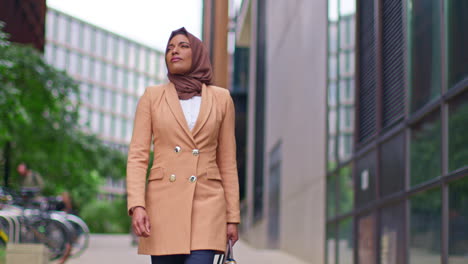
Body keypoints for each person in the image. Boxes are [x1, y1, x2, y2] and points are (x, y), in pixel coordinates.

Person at [126, 27, 240, 264]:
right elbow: (138, 156)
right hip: (162, 206)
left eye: (182, 46)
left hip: (207, 204)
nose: (174, 51)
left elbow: (227, 162)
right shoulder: (152, 96)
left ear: (197, 53)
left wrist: (232, 217)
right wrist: (137, 205)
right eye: (169, 48)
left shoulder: (221, 99)